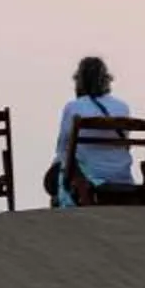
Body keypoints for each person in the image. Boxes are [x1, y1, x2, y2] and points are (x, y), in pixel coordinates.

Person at [52, 54, 135, 205]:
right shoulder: (122, 107)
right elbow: (125, 145)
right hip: (122, 176)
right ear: (106, 79)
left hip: (90, 178)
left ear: (79, 81)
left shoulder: (73, 107)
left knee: (54, 175)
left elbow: (62, 149)